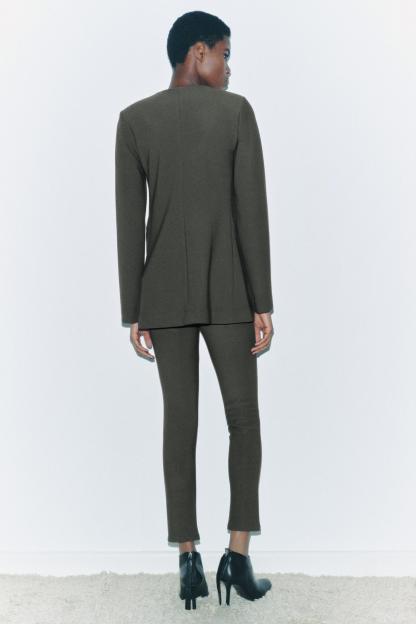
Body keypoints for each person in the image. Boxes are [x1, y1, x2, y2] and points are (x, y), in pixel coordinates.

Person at [115, 10, 275, 610]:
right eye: (225, 54)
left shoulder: (134, 121)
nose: (229, 68)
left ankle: (188, 560)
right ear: (198, 51)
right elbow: (251, 213)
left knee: (179, 425)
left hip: (162, 296)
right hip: (230, 292)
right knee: (244, 421)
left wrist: (134, 308)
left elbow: (129, 223)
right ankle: (237, 556)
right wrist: (262, 301)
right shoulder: (235, 114)